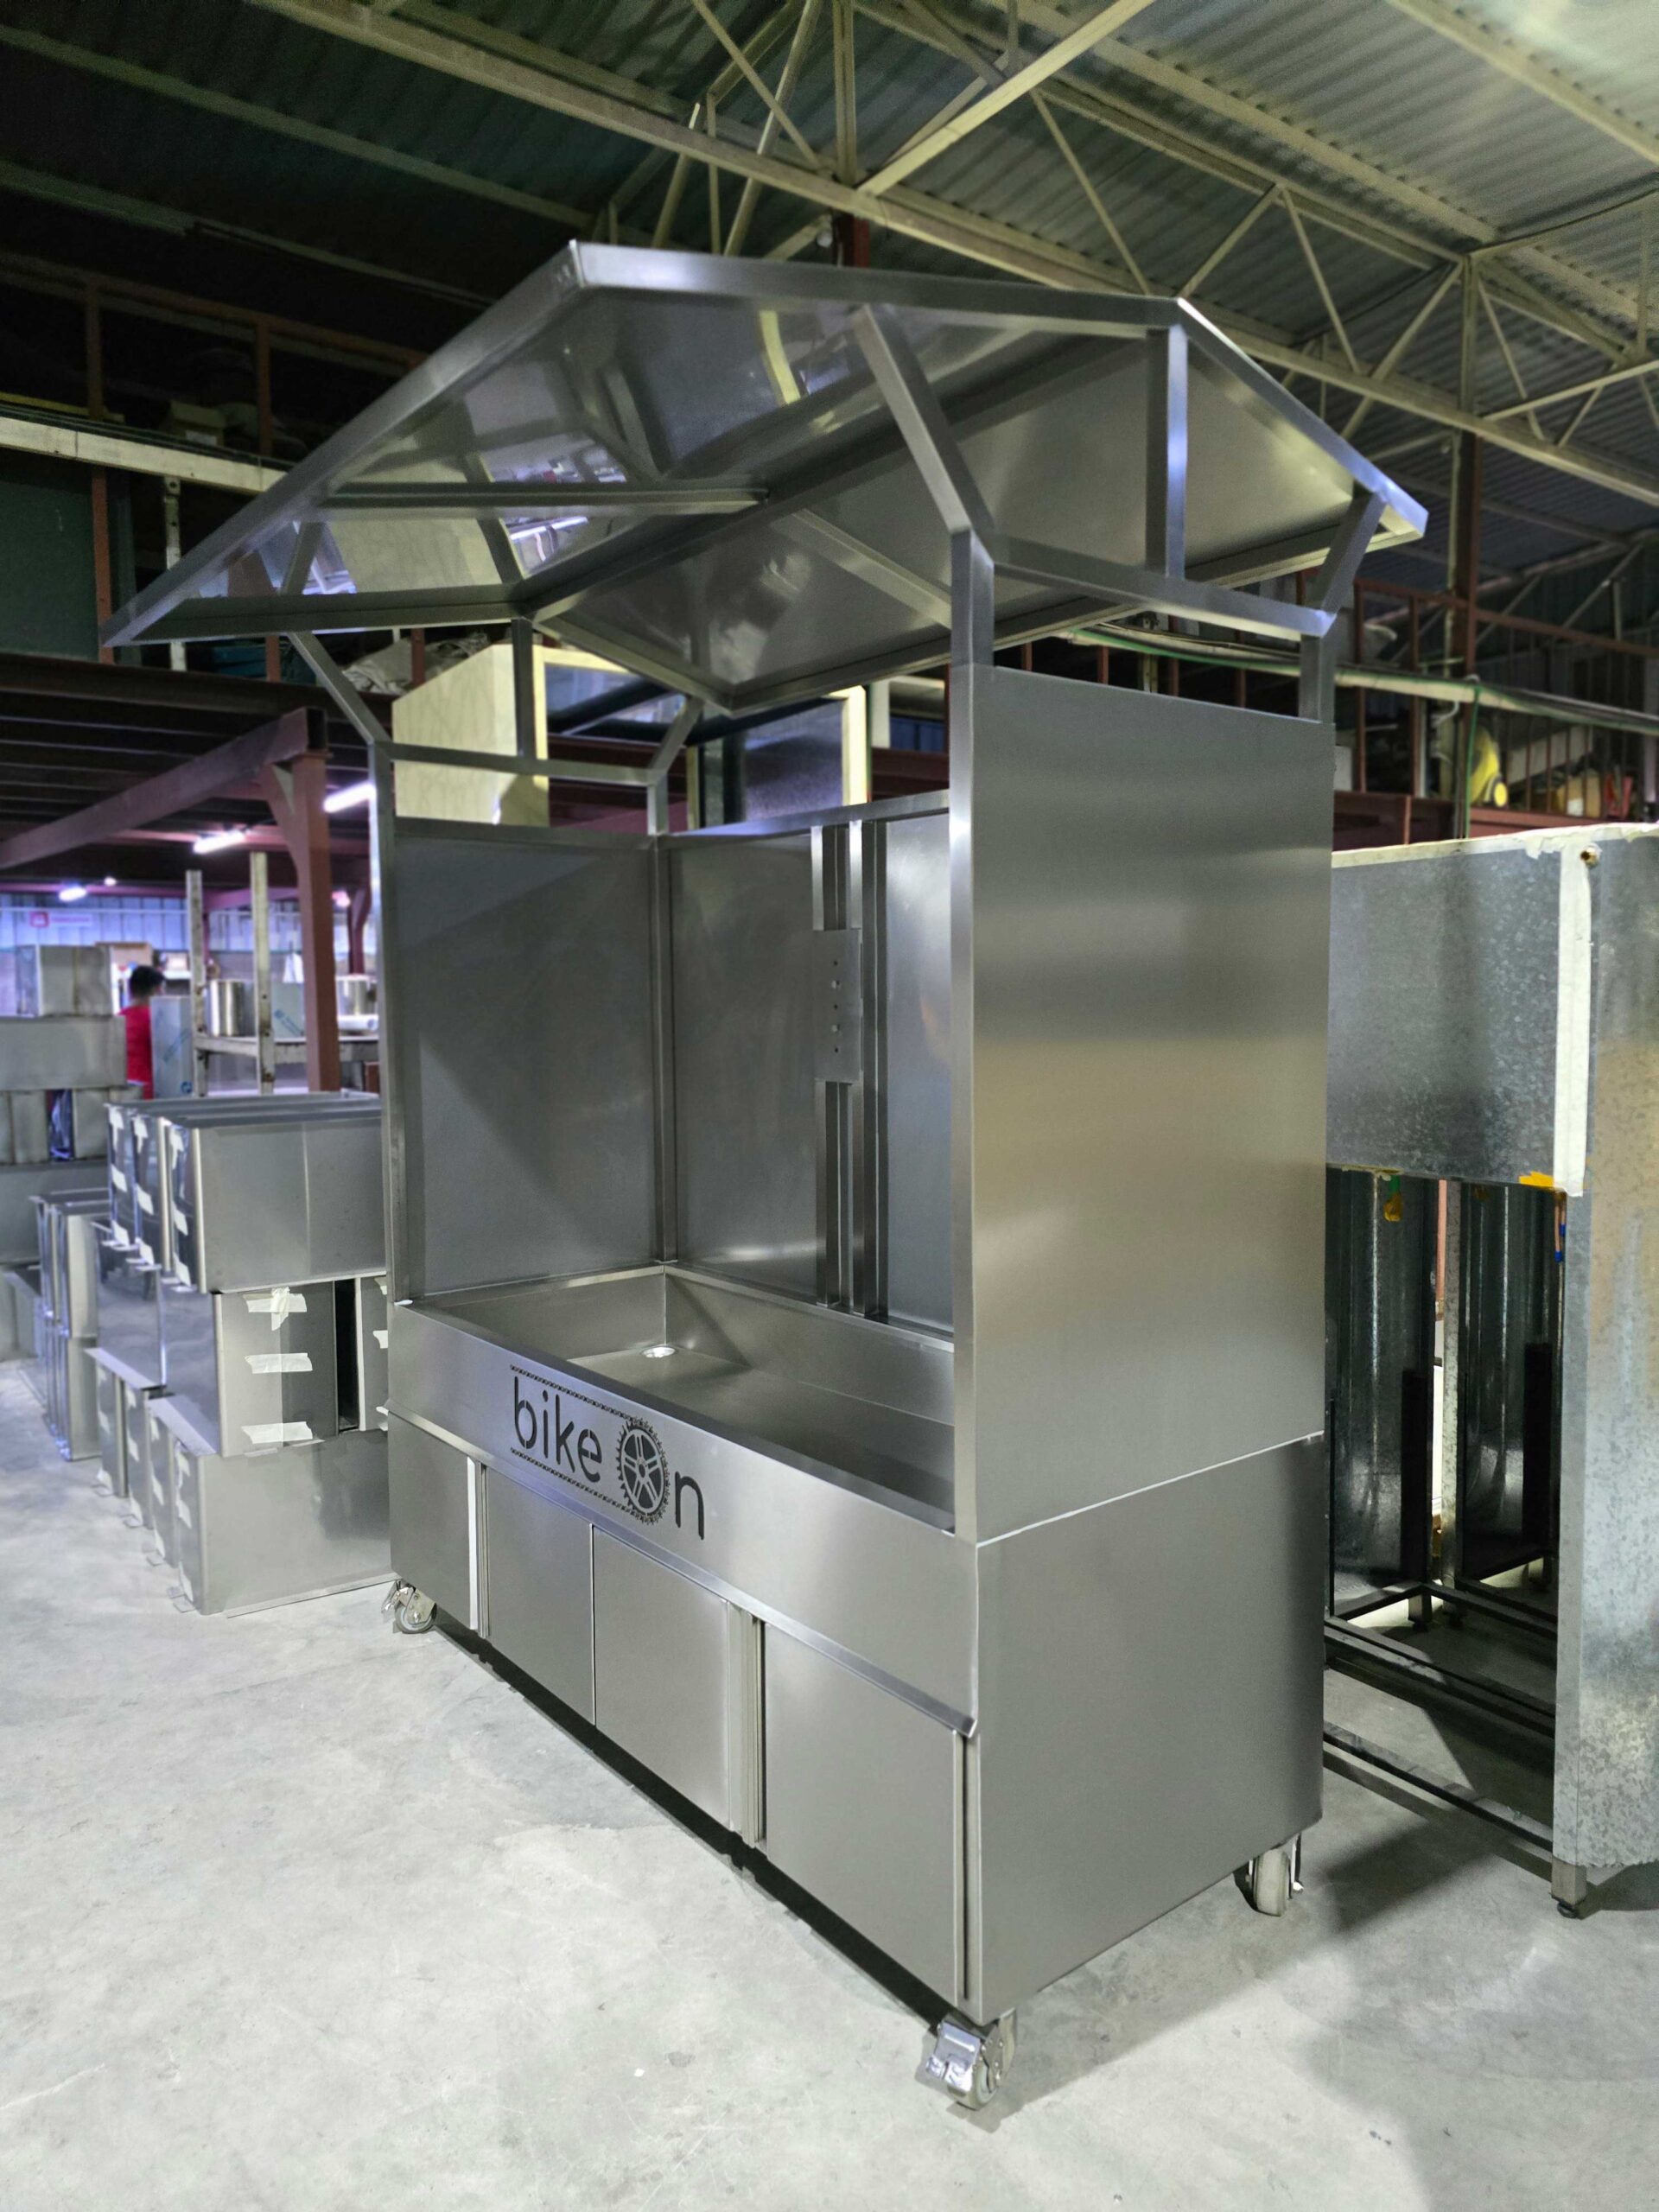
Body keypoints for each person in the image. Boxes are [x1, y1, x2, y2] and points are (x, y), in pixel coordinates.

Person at [122, 963, 164, 1099]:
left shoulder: (119, 1018)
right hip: (152, 1093)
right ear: (156, 990)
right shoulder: (157, 1019)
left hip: (124, 1090)